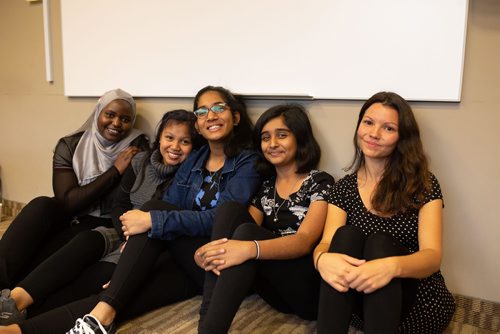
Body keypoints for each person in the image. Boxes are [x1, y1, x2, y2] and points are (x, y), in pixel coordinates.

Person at [3, 86, 261, 334]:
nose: (210, 116)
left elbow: (217, 218)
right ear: (198, 123)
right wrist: (142, 243)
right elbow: (169, 203)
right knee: (123, 292)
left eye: (218, 108)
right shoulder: (196, 157)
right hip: (179, 251)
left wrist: (152, 225)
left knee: (127, 268)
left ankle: (100, 310)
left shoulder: (247, 161)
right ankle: (20, 329)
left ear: (235, 116)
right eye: (202, 111)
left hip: (212, 258)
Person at [0, 109, 202, 329]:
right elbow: (120, 205)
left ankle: (29, 320)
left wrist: (135, 242)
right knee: (84, 242)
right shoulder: (141, 161)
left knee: (100, 275)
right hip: (121, 228)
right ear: (160, 137)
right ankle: (12, 303)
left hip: (149, 240)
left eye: (185, 142)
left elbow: (175, 223)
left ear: (194, 146)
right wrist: (126, 232)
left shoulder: (188, 178)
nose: (174, 147)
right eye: (169, 138)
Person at [314, 92, 455, 334]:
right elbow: (326, 243)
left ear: (402, 138)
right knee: (345, 236)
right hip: (363, 299)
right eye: (368, 122)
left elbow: (432, 256)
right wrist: (320, 259)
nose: (374, 134)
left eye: (388, 128)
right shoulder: (343, 188)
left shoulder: (423, 184)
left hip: (415, 303)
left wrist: (390, 267)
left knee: (379, 243)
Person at [196, 104, 334, 334]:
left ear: (299, 137)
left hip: (307, 289)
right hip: (274, 290)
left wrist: (250, 249)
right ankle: (207, 323)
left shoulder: (320, 182)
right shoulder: (265, 187)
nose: (272, 144)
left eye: (282, 135)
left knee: (247, 236)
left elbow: (305, 241)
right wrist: (207, 252)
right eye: (265, 137)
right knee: (230, 211)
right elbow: (237, 230)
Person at [0, 89, 148, 290]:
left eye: (125, 119)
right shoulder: (71, 144)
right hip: (71, 212)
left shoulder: (137, 146)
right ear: (98, 112)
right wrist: (114, 170)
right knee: (41, 205)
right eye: (110, 114)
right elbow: (68, 202)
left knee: (52, 253)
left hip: (104, 221)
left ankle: (14, 297)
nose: (116, 123)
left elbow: (122, 203)